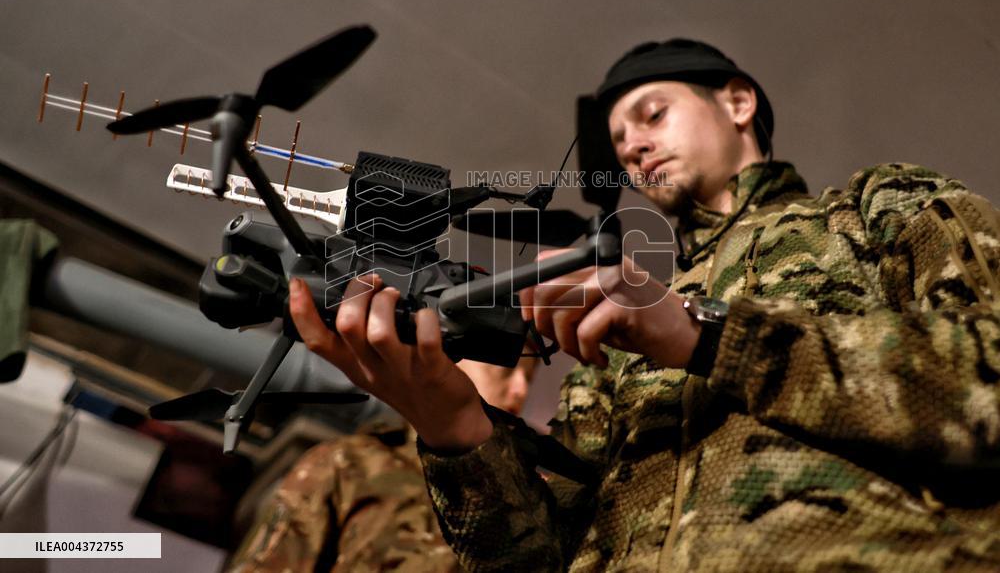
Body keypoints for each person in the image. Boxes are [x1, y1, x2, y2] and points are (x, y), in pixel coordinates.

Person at [288, 39, 1000, 571]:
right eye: (620, 141)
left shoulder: (873, 209)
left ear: (738, 102)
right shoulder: (616, 331)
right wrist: (451, 429)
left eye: (652, 113)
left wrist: (708, 336)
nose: (632, 145)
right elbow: (537, 558)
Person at [225, 356, 537, 573]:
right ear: (446, 362)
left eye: (529, 378)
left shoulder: (527, 505)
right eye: (506, 371)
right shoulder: (350, 464)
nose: (520, 391)